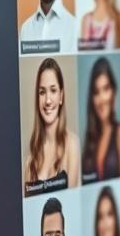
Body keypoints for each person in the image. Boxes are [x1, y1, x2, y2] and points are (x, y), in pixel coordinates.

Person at [23, 57, 80, 195]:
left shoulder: (73, 145)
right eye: (42, 92)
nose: (48, 100)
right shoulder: (30, 161)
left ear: (61, 96)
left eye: (53, 90)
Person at [81, 57, 120, 182]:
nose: (102, 98)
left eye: (106, 89)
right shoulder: (89, 140)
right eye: (96, 92)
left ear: (113, 92)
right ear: (91, 98)